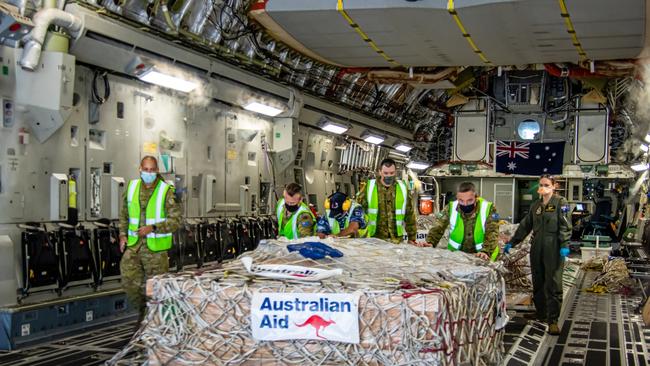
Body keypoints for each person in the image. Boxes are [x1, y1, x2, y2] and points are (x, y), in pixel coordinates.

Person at [505, 175, 572, 335]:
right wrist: (513, 242)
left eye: (547, 184)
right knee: (538, 281)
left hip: (553, 247)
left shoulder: (561, 203)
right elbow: (525, 225)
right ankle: (541, 313)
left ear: (554, 186)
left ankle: (553, 320)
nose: (543, 187)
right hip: (537, 247)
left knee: (553, 284)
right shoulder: (536, 205)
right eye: (541, 184)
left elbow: (565, 226)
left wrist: (564, 245)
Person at [118, 156, 181, 325]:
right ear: (140, 169)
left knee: (156, 289)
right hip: (134, 246)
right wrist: (122, 234)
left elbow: (175, 221)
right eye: (146, 169)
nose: (149, 173)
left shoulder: (165, 190)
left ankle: (151, 325)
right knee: (129, 281)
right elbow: (124, 214)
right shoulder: (132, 187)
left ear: (157, 171)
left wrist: (152, 228)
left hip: (155, 250)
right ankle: (143, 314)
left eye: (152, 170)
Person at [425, 182, 499, 261]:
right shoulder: (450, 207)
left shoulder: (488, 208)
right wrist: (430, 242)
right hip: (457, 256)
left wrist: (485, 251)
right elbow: (438, 227)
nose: (465, 204)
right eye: (461, 201)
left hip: (483, 255)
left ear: (476, 197)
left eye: (470, 201)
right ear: (457, 197)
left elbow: (492, 232)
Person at [357, 158, 417, 244]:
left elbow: (410, 215)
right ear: (380, 172)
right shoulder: (369, 187)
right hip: (374, 240)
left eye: (391, 173)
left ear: (395, 172)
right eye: (386, 173)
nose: (389, 176)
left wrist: (412, 238)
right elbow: (358, 211)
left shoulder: (403, 188)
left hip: (396, 241)